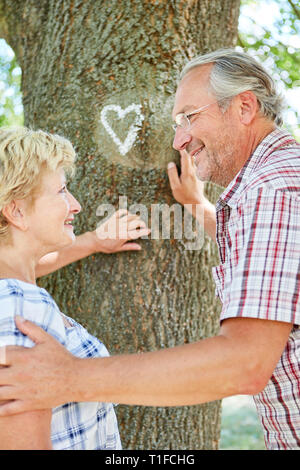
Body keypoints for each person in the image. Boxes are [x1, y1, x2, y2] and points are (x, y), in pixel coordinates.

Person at [0, 49, 299, 450]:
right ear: (15, 211)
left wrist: (69, 377)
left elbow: (244, 363)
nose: (179, 139)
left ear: (244, 106)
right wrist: (196, 207)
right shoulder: (269, 189)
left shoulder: (272, 191)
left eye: (189, 117)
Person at [0, 126, 149, 449]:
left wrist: (93, 241)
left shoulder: (11, 290)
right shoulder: (21, 305)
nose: (76, 204)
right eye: (61, 191)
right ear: (16, 211)